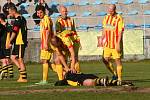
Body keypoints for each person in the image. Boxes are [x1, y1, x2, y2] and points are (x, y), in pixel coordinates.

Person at [35, 6, 71, 85]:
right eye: (38, 13)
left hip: (48, 42)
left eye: (40, 12)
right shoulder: (43, 20)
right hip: (48, 42)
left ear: (44, 12)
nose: (39, 14)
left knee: (45, 60)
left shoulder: (46, 19)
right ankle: (63, 74)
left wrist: (46, 43)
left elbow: (48, 31)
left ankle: (45, 80)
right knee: (49, 61)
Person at [99, 4, 124, 85]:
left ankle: (119, 79)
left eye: (112, 10)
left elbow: (120, 31)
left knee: (117, 61)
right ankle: (114, 74)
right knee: (104, 60)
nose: (110, 12)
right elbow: (105, 29)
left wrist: (118, 43)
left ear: (115, 10)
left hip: (115, 43)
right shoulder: (106, 17)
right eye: (109, 10)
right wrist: (101, 38)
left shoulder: (119, 18)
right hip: (108, 43)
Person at [55, 5, 81, 73]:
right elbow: (59, 34)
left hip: (72, 43)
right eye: (63, 11)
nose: (65, 13)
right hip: (64, 44)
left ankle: (76, 75)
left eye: (66, 11)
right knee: (59, 60)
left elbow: (74, 31)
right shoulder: (58, 21)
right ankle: (64, 76)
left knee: (75, 59)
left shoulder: (71, 20)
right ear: (60, 12)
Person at [7, 6, 28, 82]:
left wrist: (9, 41)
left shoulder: (18, 20)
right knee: (12, 57)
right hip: (18, 42)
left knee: (20, 59)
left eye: (9, 12)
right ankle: (22, 73)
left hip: (20, 42)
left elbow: (14, 32)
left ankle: (24, 77)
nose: (9, 14)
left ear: (13, 11)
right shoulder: (22, 18)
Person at [55, 71, 133, 86]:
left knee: (89, 82)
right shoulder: (74, 72)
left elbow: (58, 83)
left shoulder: (67, 78)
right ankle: (120, 83)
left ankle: (102, 81)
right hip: (89, 75)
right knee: (102, 81)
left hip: (81, 80)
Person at [0, 13, 14, 80]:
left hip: (6, 44)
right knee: (4, 59)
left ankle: (9, 74)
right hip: (1, 44)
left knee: (7, 59)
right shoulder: (1, 26)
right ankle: (5, 74)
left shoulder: (7, 25)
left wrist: (9, 43)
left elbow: (10, 34)